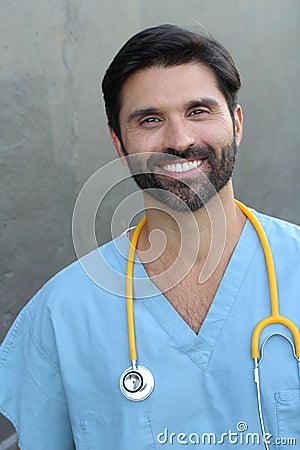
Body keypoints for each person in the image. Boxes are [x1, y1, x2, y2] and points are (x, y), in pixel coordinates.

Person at [0, 24, 299, 449]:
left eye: (198, 111)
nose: (179, 141)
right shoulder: (62, 314)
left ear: (236, 123)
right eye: (150, 120)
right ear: (119, 145)